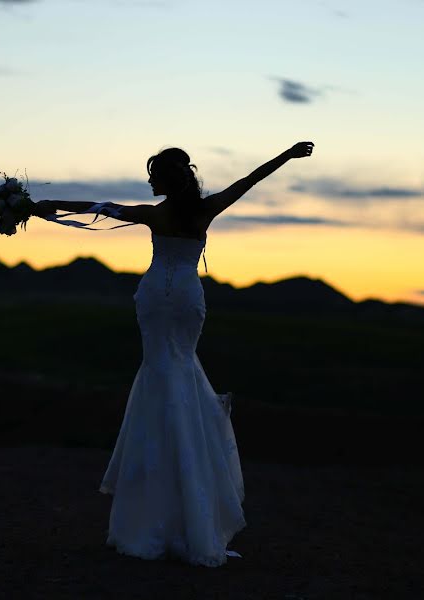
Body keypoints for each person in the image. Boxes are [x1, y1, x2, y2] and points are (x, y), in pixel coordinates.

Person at [32, 142, 314, 566]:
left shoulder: (154, 214)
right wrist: (287, 155)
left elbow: (99, 207)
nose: (148, 181)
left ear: (167, 178)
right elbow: (250, 180)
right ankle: (188, 499)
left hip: (153, 297)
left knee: (160, 375)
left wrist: (45, 206)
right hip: (185, 297)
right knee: (177, 371)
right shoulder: (205, 209)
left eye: (153, 175)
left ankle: (153, 511)